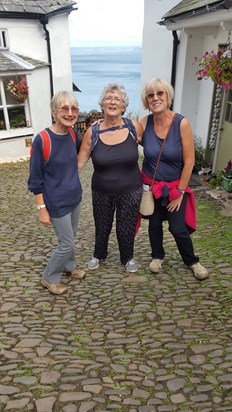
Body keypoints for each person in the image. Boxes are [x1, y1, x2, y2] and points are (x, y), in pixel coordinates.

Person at [140, 78, 209, 280]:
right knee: (153, 225)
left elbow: (189, 161)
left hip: (175, 188)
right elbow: (126, 133)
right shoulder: (145, 122)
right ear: (146, 100)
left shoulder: (181, 123)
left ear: (168, 96)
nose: (155, 98)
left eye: (160, 93)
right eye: (150, 95)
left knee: (178, 228)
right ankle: (157, 256)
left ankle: (192, 261)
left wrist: (179, 192)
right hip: (153, 188)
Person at [78, 83, 143, 272]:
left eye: (117, 99)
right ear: (102, 104)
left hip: (131, 189)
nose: (113, 101)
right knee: (102, 224)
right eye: (108, 98)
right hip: (101, 189)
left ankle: (127, 257)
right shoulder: (93, 131)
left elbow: (153, 146)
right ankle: (99, 254)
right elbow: (79, 163)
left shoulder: (134, 127)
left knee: (126, 225)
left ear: (124, 106)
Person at [28, 91, 85, 295]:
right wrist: (42, 209)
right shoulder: (42, 140)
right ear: (54, 112)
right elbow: (35, 179)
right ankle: (49, 277)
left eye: (74, 109)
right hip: (57, 203)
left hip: (75, 198)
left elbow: (83, 151)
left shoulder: (72, 134)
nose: (70, 113)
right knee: (66, 242)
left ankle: (69, 267)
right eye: (64, 108)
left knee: (72, 236)